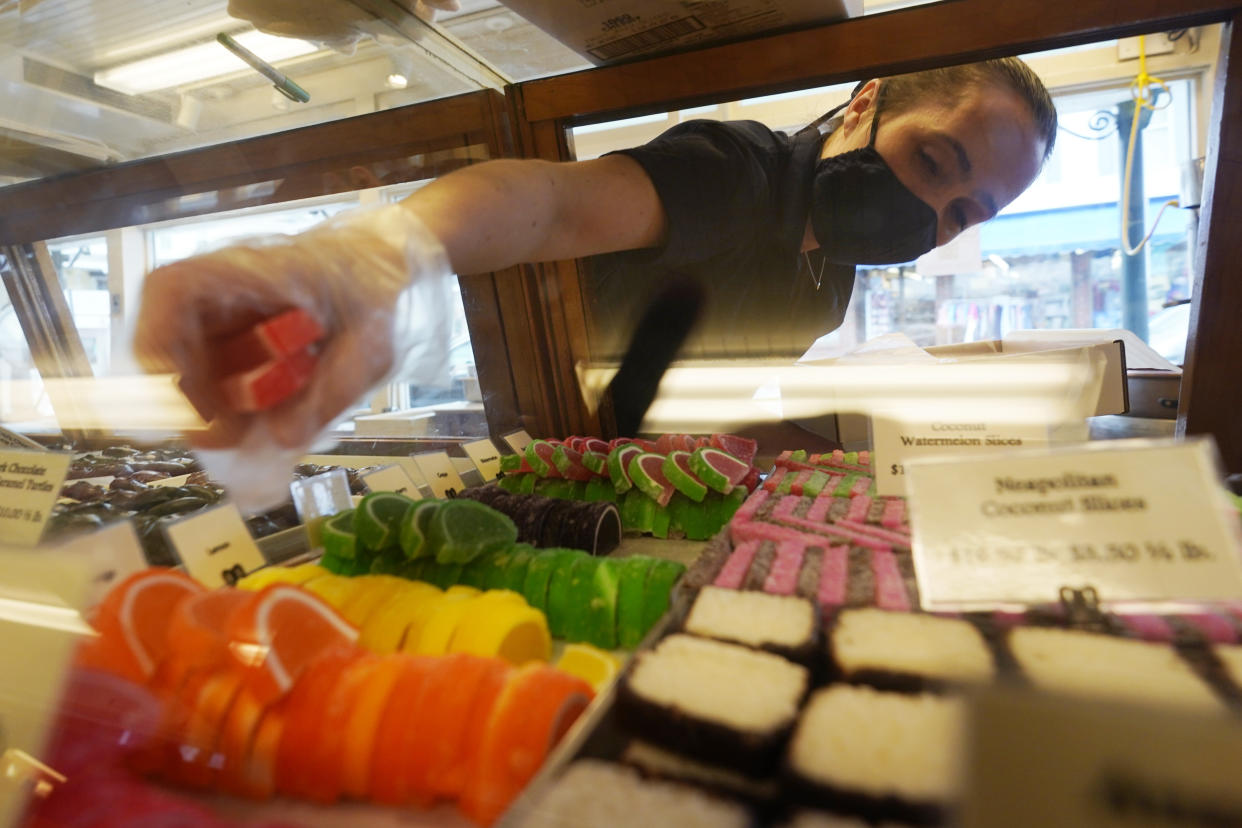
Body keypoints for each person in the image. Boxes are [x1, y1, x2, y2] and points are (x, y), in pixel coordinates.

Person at [134, 57, 1056, 451]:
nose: (927, 209)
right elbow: (547, 208)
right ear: (865, 105)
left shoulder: (833, 277)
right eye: (933, 161)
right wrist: (363, 260)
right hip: (525, 453)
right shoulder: (738, 173)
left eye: (961, 214)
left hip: (624, 477)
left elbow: (686, 394)